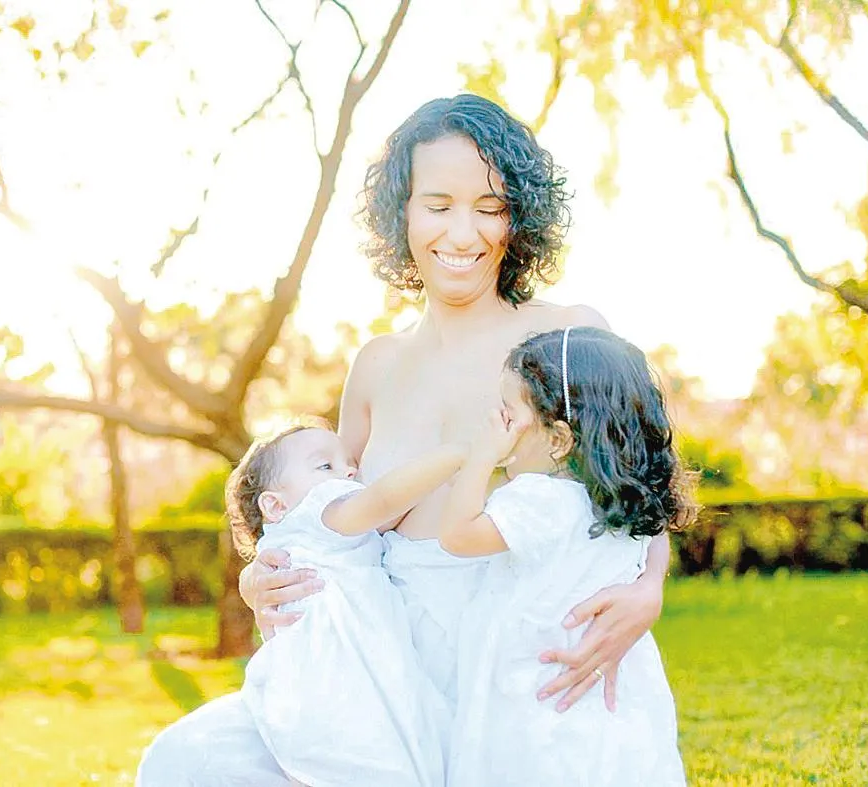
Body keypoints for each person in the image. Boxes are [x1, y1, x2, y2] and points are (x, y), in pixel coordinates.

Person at [137, 94, 670, 785]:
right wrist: (257, 576)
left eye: (490, 205)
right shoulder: (376, 365)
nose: (463, 232)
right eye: (438, 204)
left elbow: (639, 482)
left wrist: (649, 588)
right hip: (377, 664)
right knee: (184, 763)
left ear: (521, 215)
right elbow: (323, 506)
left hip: (519, 658)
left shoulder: (568, 337)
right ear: (403, 213)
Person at [439, 326, 691, 785]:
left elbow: (456, 535)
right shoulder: (626, 503)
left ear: (557, 439)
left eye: (508, 412)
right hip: (612, 682)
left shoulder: (540, 500)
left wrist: (480, 456)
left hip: (534, 686)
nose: (497, 421)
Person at [229, 421, 474, 786]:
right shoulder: (316, 511)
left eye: (349, 464)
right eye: (325, 466)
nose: (349, 471)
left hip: (315, 691)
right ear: (275, 504)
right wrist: (462, 452)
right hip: (344, 689)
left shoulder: (287, 538)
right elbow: (382, 501)